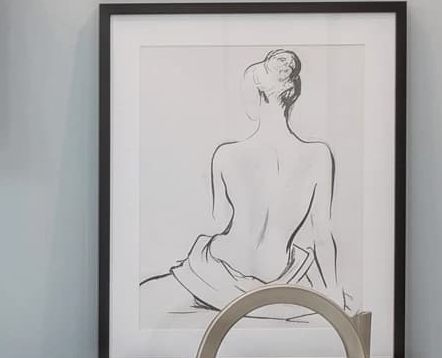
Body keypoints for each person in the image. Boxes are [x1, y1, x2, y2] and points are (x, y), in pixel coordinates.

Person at [140, 47, 346, 322]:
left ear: (256, 96)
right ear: (291, 96)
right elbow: (322, 235)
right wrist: (334, 299)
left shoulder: (226, 154)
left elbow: (218, 220)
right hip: (280, 274)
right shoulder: (319, 155)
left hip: (219, 270)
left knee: (145, 296)